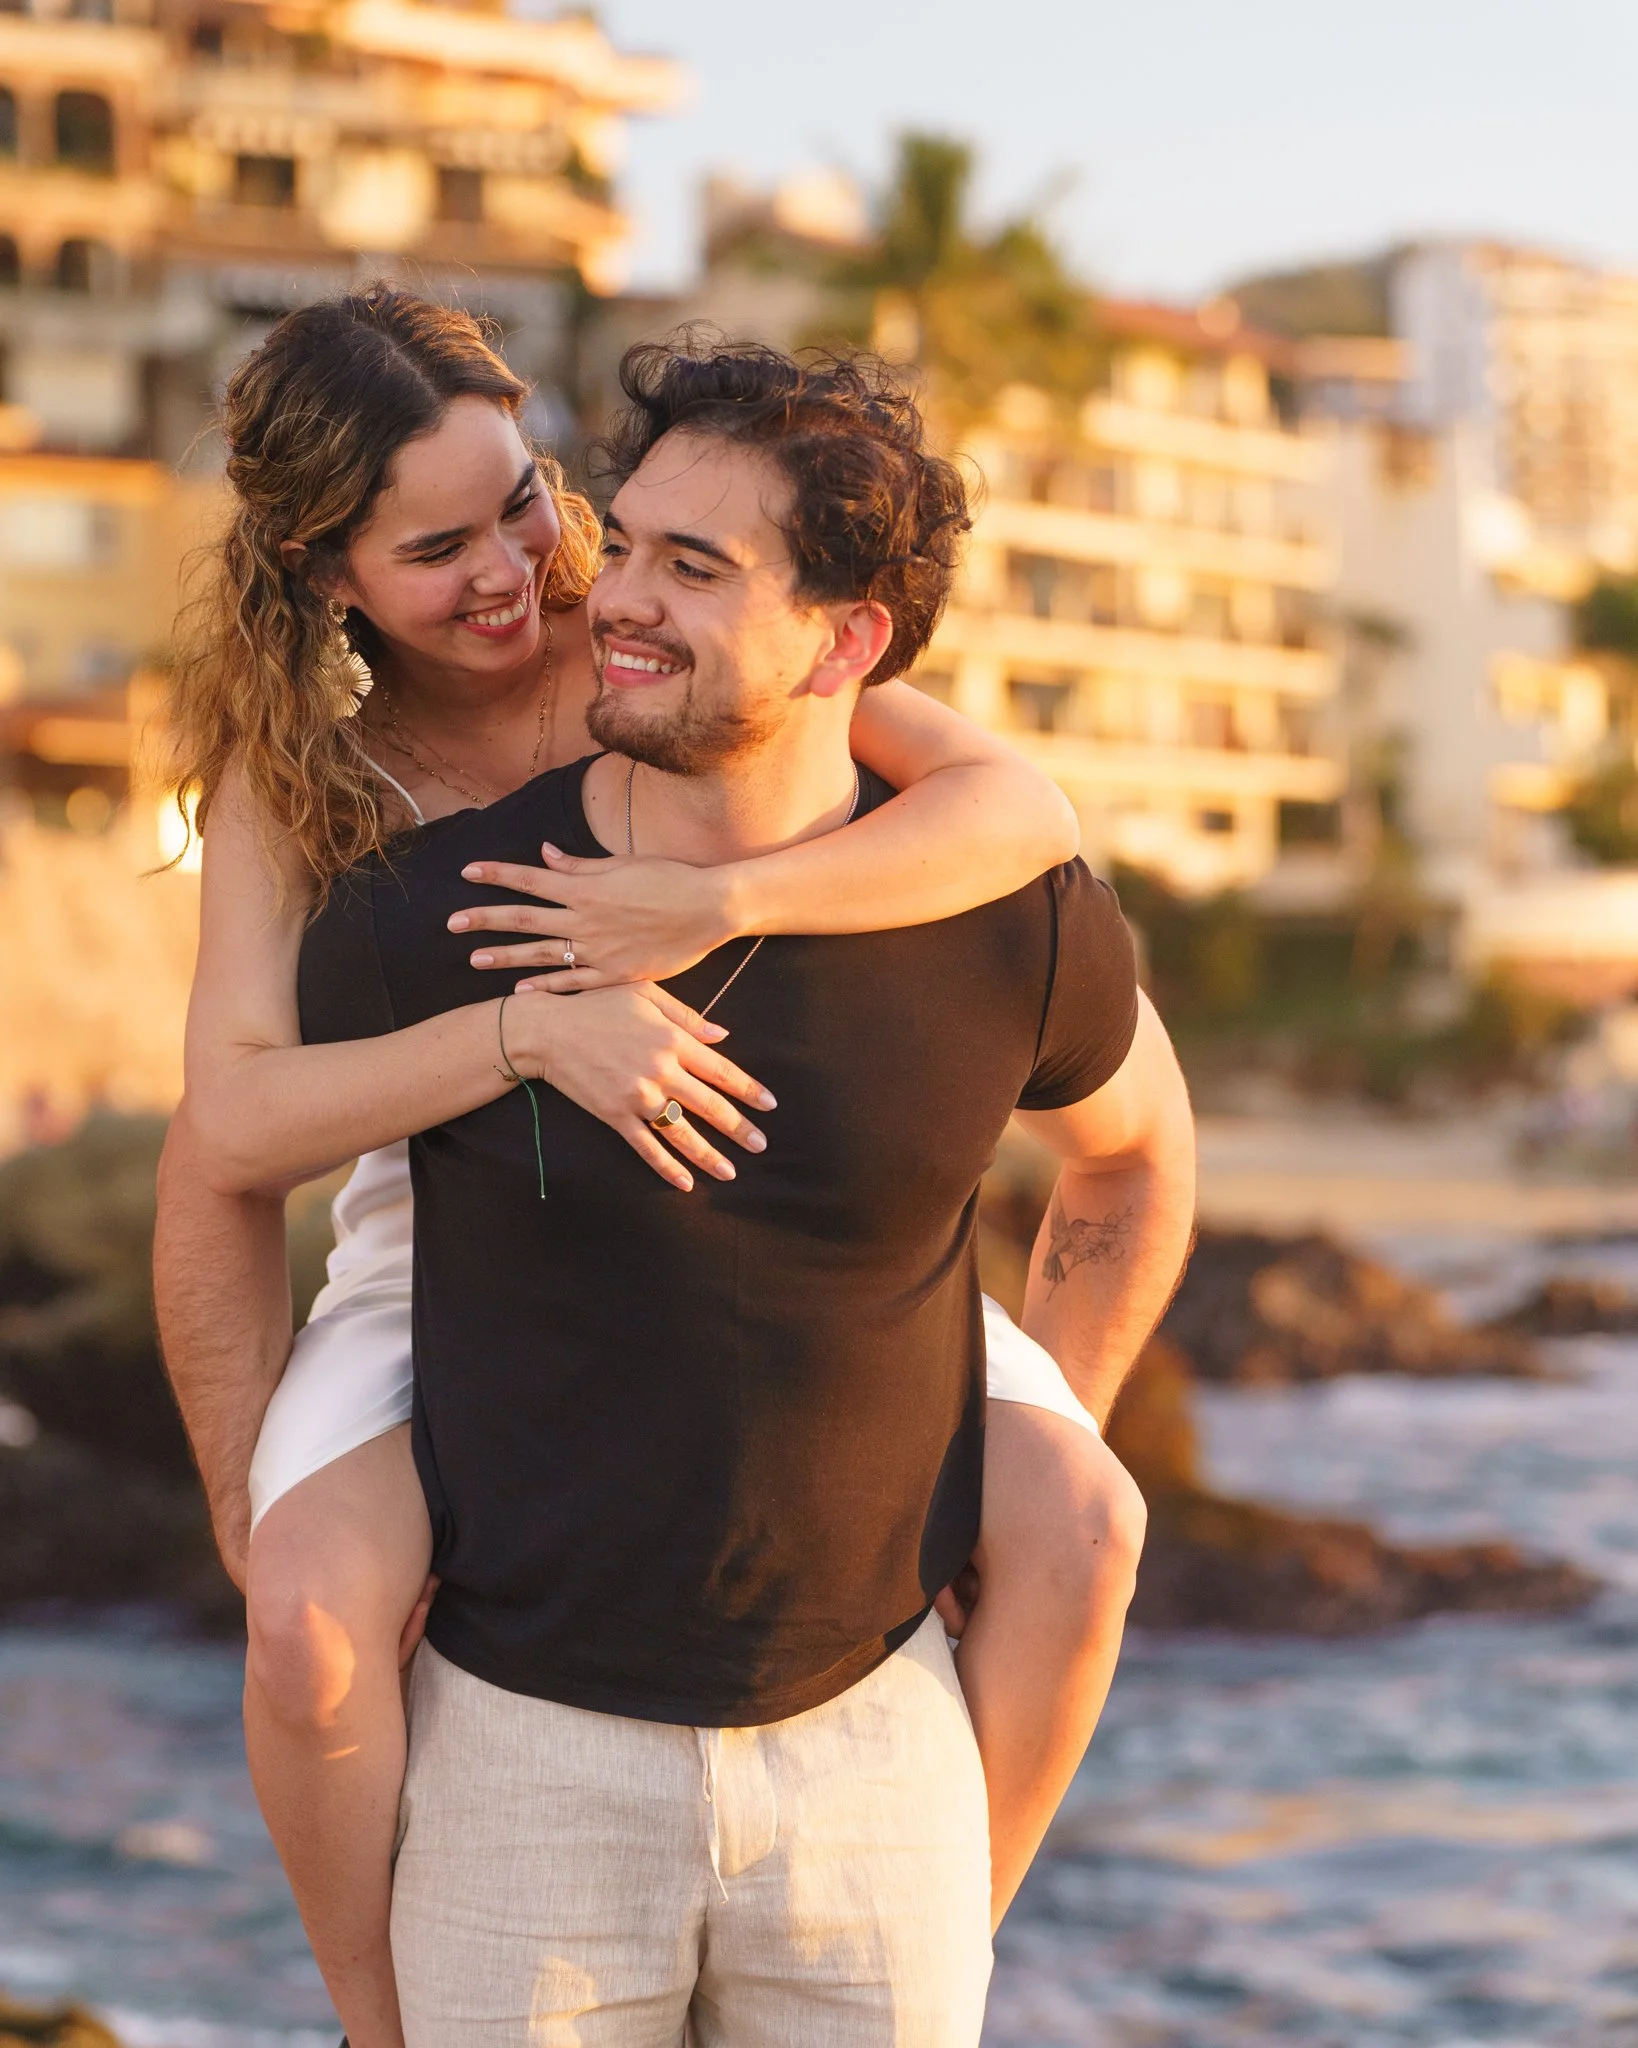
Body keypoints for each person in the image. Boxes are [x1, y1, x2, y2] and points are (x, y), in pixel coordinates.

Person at [153, 291, 1174, 2048]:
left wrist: (720, 901)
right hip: (451, 1181)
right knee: (316, 1622)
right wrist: (525, 1034)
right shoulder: (303, 776)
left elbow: (1017, 817)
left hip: (798, 1205)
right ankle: (372, 2013)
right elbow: (229, 1129)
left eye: (526, 505)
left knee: (1083, 1518)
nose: (519, 571)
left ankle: (940, 1918)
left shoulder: (657, 639)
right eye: (436, 545)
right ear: (328, 573)